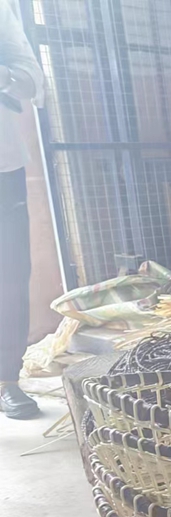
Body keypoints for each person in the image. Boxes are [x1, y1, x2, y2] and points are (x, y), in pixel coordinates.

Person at [0, 0, 44, 420]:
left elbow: (32, 76)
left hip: (2, 164)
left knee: (11, 273)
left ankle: (6, 380)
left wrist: (7, 76)